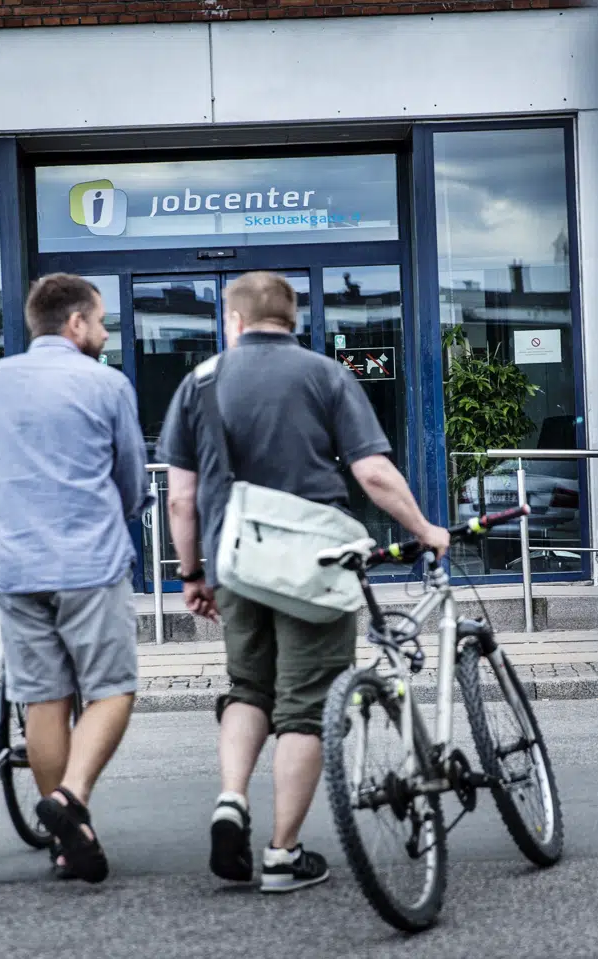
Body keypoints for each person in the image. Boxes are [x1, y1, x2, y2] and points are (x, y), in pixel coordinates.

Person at [157, 271, 449, 894]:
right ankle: (283, 855)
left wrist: (192, 573)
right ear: (293, 321)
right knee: (307, 708)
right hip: (315, 566)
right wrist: (424, 529)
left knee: (247, 688)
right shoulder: (326, 374)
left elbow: (180, 500)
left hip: (235, 561)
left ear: (233, 321)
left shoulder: (199, 382)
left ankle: (231, 800)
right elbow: (371, 472)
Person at [0, 272, 150, 884]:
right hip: (89, 563)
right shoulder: (107, 384)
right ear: (76, 324)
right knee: (112, 688)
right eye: (101, 320)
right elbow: (133, 485)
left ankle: (69, 845)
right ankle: (71, 800)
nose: (106, 332)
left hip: (16, 567)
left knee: (44, 700)